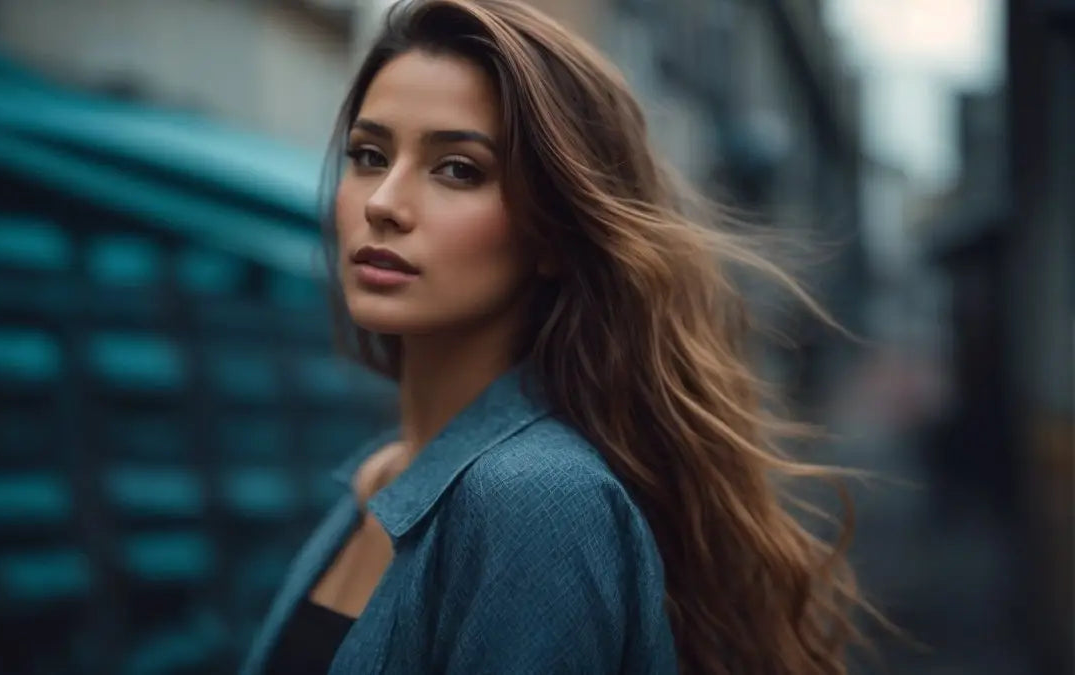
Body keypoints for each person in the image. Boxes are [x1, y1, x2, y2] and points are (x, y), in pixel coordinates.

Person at [241, 1, 870, 673]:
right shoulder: (378, 476)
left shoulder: (533, 502)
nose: (382, 202)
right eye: (368, 154)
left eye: (458, 168)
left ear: (553, 231)